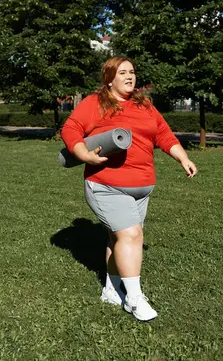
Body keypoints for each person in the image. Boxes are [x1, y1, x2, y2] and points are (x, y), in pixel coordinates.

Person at [60, 56, 197, 321]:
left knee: (118, 239)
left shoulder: (144, 104)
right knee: (132, 236)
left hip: (141, 186)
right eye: (122, 72)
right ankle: (134, 299)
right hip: (106, 185)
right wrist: (84, 154)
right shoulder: (95, 103)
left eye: (132, 72)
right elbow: (71, 129)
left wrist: (184, 158)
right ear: (109, 78)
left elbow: (163, 134)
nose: (129, 76)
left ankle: (111, 290)